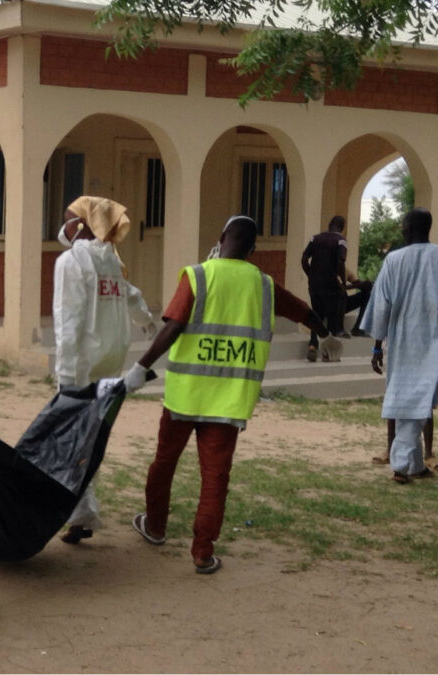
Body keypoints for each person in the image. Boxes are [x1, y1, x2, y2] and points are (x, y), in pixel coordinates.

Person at [124, 215, 329, 574]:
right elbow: (302, 310)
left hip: (185, 396)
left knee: (164, 464)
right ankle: (203, 552)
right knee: (215, 477)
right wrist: (323, 331)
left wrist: (140, 367)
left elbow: (173, 328)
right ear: (252, 249)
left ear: (222, 238)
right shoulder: (264, 286)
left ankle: (155, 527)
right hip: (228, 401)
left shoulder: (199, 276)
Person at [52, 196, 154, 545]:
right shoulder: (110, 261)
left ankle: (77, 512)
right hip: (112, 365)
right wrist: (148, 322)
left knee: (72, 442)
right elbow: (132, 296)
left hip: (81, 368)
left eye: (68, 220)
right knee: (91, 440)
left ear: (81, 225)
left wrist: (65, 377)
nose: (62, 227)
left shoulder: (71, 262)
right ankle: (83, 513)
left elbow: (68, 322)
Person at [360, 208, 438, 484]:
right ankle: (402, 466)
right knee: (417, 399)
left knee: (412, 398)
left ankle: (412, 464)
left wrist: (378, 345)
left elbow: (381, 307)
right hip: (431, 341)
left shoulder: (394, 260)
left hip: (401, 340)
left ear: (408, 229)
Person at [302, 215, 350, 361]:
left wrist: (311, 274)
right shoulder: (341, 241)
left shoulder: (315, 238)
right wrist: (342, 281)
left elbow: (304, 258)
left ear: (329, 224)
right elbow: (341, 263)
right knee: (331, 319)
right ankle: (327, 354)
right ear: (342, 228)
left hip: (315, 285)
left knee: (316, 316)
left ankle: (312, 345)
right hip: (331, 285)